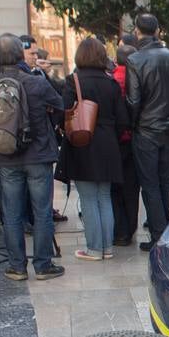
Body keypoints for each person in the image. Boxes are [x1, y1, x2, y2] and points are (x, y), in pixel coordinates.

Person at [0, 33, 66, 281]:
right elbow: (60, 103)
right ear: (21, 55)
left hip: (5, 155)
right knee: (41, 211)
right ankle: (43, 265)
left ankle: (17, 266)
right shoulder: (36, 83)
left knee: (12, 214)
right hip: (38, 154)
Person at [59, 37, 128, 261]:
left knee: (88, 198)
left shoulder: (74, 81)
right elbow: (122, 120)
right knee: (104, 197)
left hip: (83, 143)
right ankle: (107, 247)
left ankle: (94, 249)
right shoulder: (111, 84)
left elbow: (64, 113)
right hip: (108, 144)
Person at [125, 13, 169, 251]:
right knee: (166, 180)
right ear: (158, 30)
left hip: (146, 130)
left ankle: (159, 234)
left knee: (150, 184)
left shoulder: (136, 59)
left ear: (137, 32)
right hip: (168, 127)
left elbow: (133, 99)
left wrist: (133, 124)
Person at [110, 40, 140, 246]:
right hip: (134, 138)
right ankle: (130, 228)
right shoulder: (137, 78)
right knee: (132, 187)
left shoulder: (111, 79)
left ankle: (118, 230)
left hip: (114, 141)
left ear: (115, 59)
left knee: (115, 188)